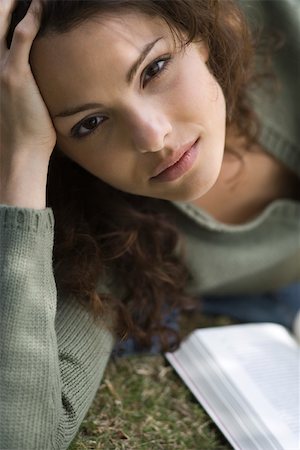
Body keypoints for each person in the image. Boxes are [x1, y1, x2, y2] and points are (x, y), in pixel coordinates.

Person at [1, 0, 299, 448]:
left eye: (154, 69)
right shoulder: (109, 245)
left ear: (202, 25)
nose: (151, 136)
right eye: (90, 123)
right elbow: (22, 435)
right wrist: (21, 157)